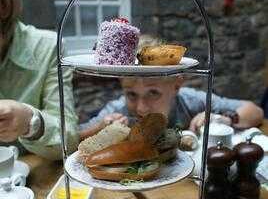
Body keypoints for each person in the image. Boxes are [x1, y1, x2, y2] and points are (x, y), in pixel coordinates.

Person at [0, 0, 78, 160]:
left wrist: (30, 121)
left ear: (3, 3)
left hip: (30, 179)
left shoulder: (48, 47)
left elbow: (69, 139)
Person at [80, 76, 264, 140]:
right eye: (131, 94)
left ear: (176, 86)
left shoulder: (191, 101)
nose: (141, 109)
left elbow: (255, 111)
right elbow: (74, 137)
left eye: (153, 93)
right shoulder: (118, 109)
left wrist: (225, 119)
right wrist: (100, 129)